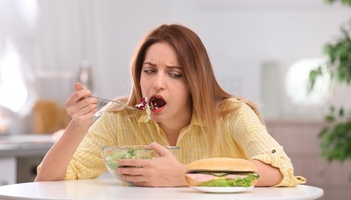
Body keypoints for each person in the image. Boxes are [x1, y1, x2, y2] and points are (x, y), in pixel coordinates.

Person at [35, 23, 306, 187]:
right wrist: (78, 124)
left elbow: (279, 170)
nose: (158, 84)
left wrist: (185, 175)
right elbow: (48, 179)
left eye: (175, 74)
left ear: (194, 81)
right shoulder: (119, 117)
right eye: (150, 70)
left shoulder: (231, 115)